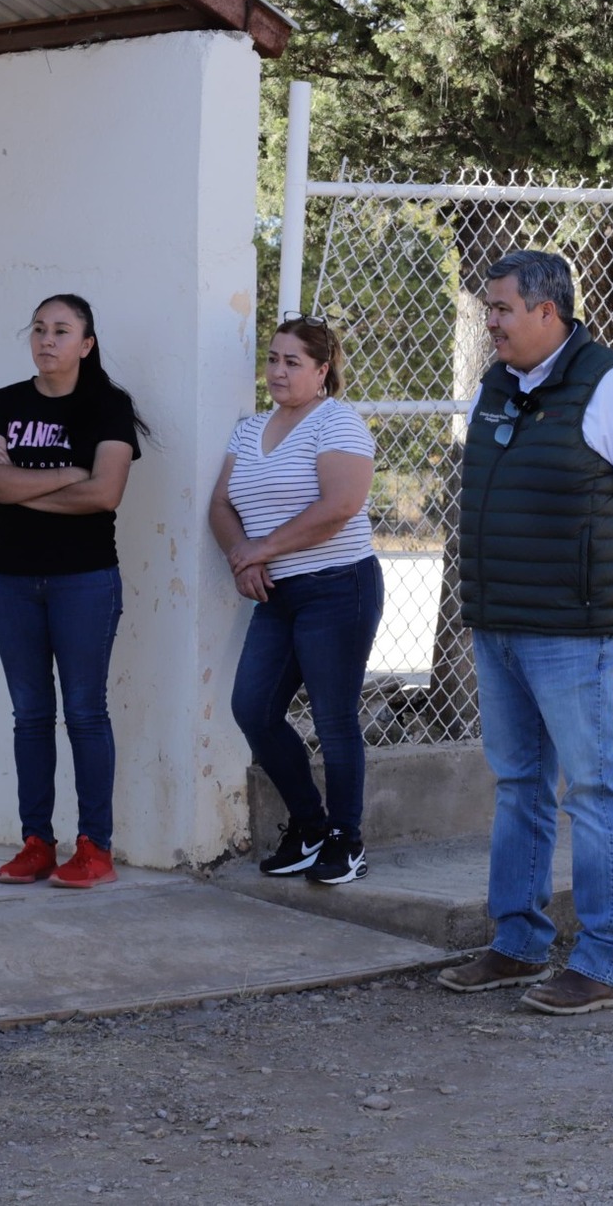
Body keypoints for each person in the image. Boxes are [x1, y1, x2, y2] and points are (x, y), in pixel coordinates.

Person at [436, 249, 613, 1015]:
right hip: (499, 624)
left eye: (503, 309)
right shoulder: (497, 384)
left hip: (572, 631)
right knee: (519, 786)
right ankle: (517, 942)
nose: (491, 321)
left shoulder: (612, 385)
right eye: (489, 308)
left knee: (595, 790)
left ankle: (601, 961)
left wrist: (591, 583)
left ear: (549, 311)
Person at [0, 295, 147, 888]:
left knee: (84, 712)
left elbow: (105, 494)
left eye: (62, 331)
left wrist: (21, 486)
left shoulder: (108, 406)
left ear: (86, 344)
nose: (47, 340)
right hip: (10, 579)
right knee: (29, 715)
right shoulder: (3, 402)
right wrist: (70, 474)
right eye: (39, 329)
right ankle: (36, 843)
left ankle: (95, 847)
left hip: (84, 580)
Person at [211, 316, 383, 887]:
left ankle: (346, 841)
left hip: (338, 587)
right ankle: (309, 827)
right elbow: (220, 505)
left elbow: (340, 506)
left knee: (334, 718)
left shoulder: (337, 422)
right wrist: (243, 556)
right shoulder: (248, 431)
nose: (278, 371)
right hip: (277, 594)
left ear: (321, 370)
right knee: (253, 709)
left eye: (293, 362)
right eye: (273, 359)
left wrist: (261, 549)